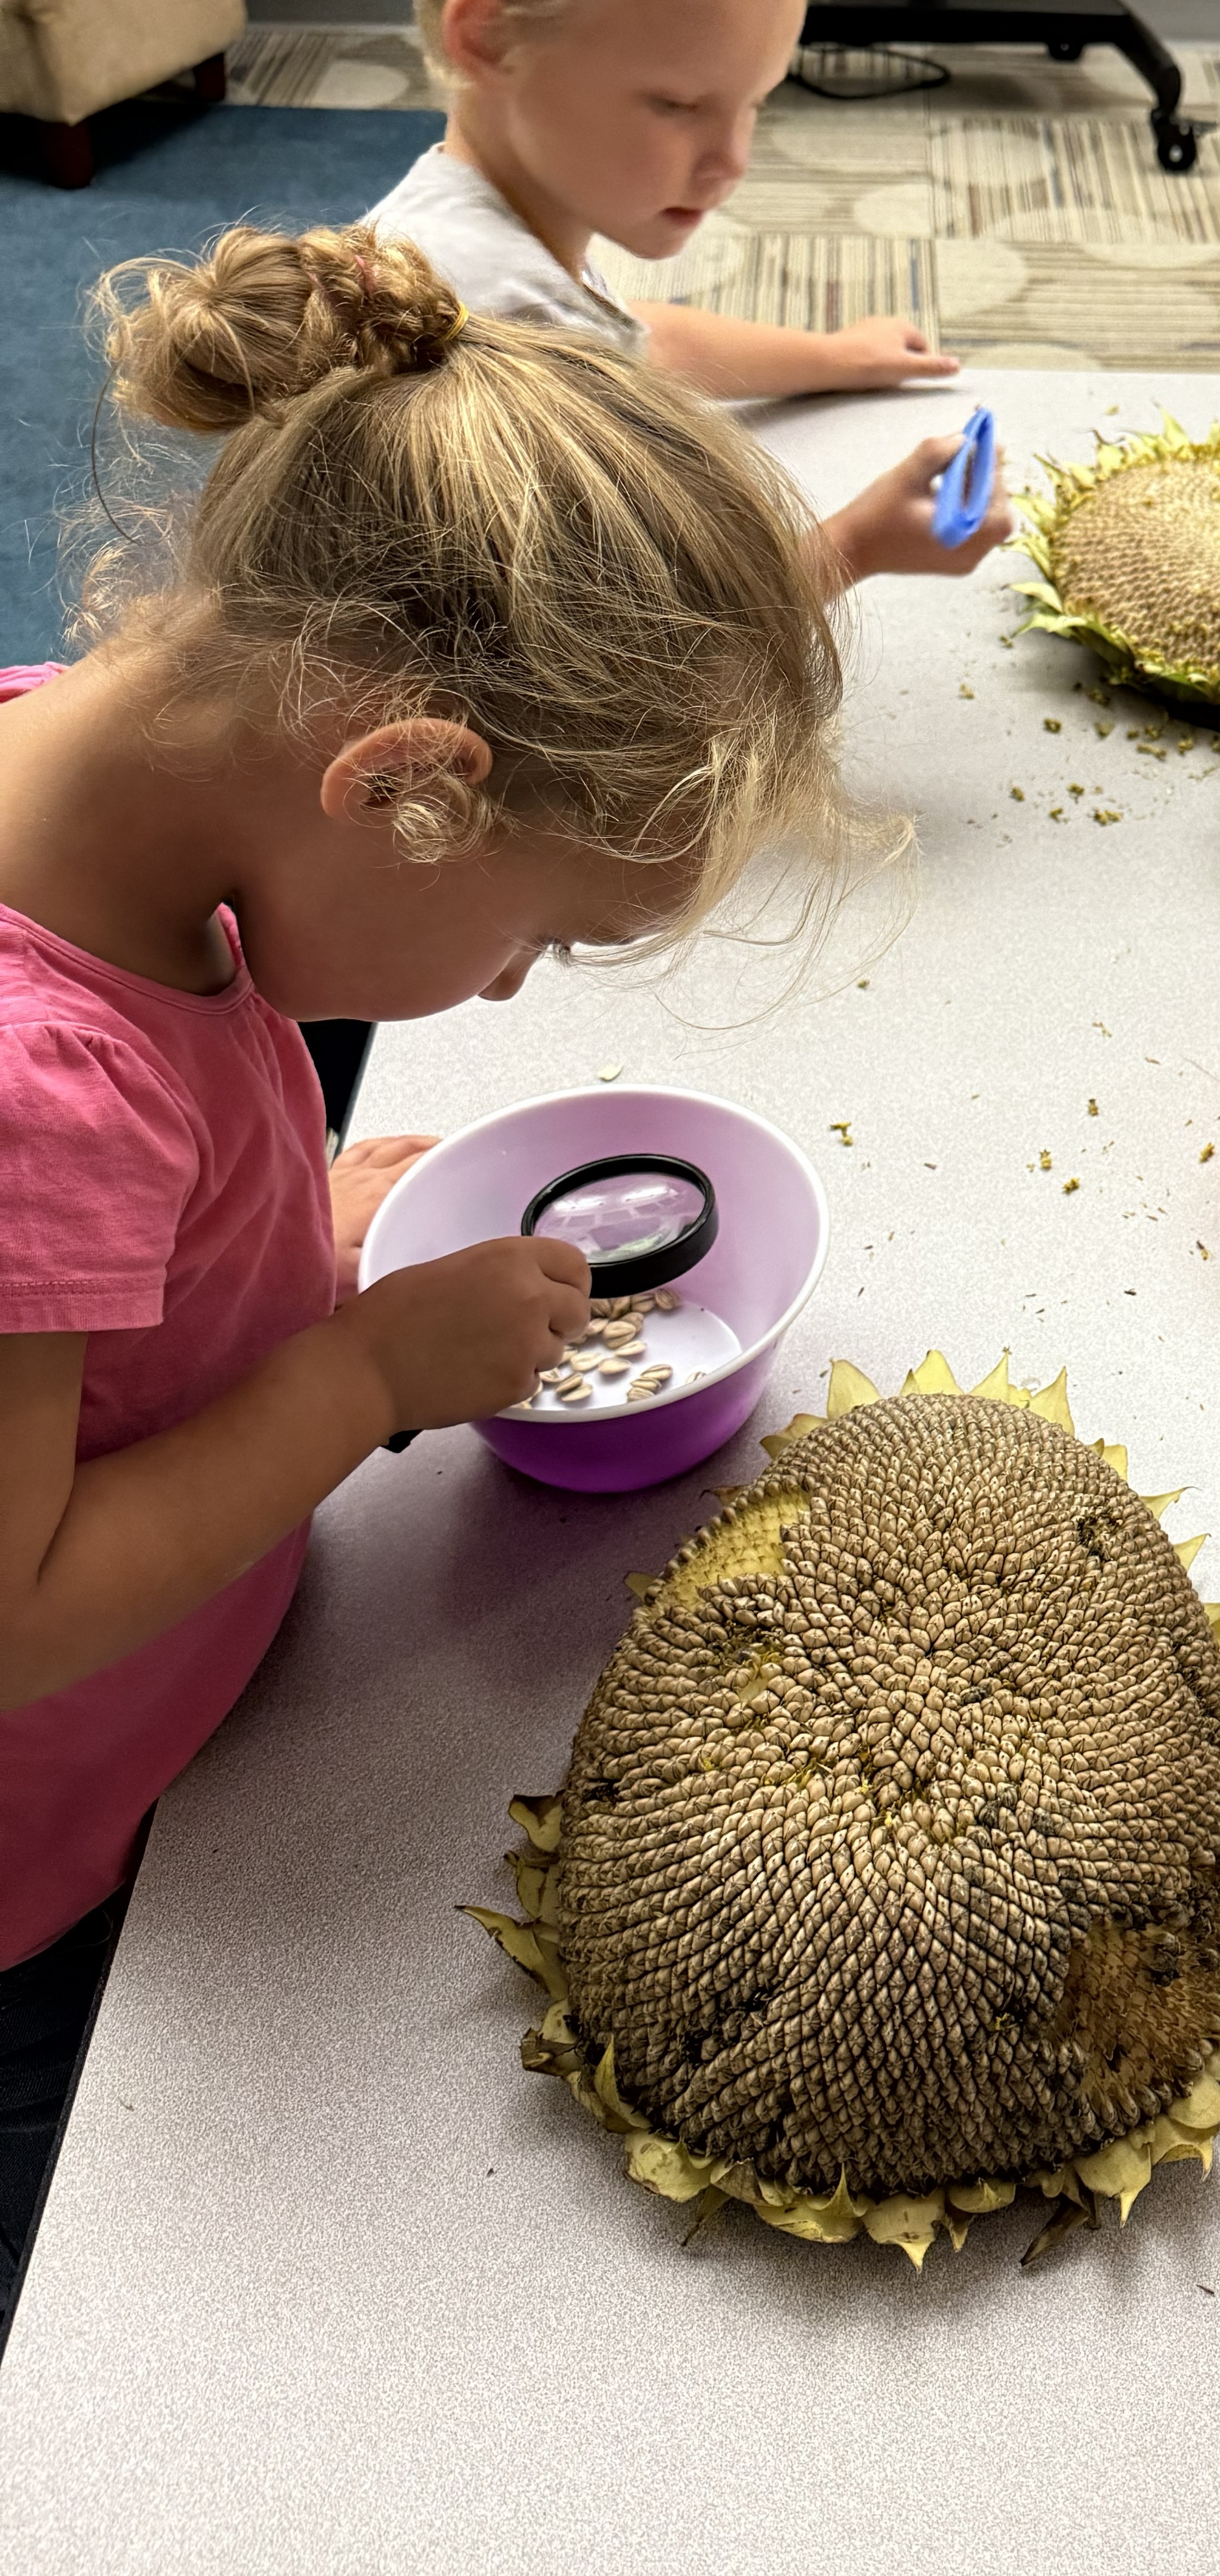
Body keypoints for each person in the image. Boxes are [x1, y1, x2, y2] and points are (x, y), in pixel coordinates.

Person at [0, 225, 868, 2341]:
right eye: (537, 938)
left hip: (231, 1717)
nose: (501, 992)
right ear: (404, 784)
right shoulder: (37, 1097)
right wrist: (364, 1372)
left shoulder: (99, 786)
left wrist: (275, 1226)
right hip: (61, 1881)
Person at [372, 0, 1008, 591]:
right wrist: (857, 546)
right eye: (676, 106)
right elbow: (641, 647)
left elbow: (640, 341)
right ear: (490, 39)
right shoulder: (505, 351)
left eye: (755, 103)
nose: (730, 162)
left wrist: (836, 357)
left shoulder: (456, 232)